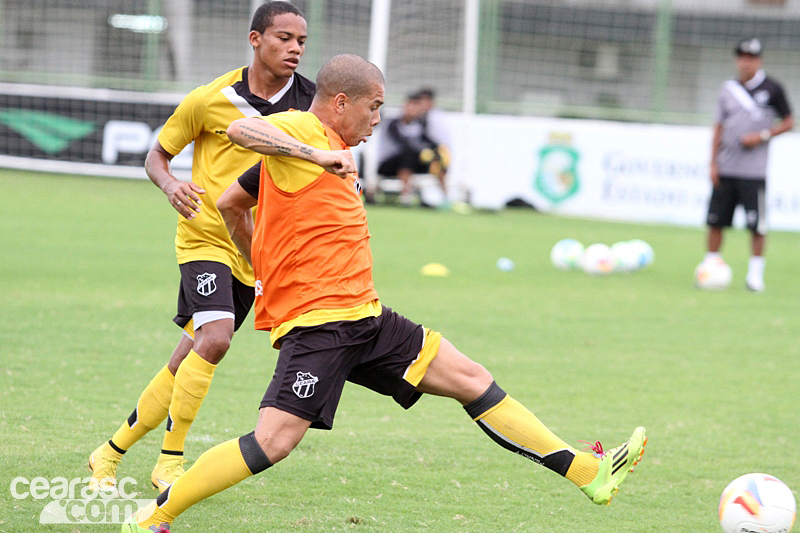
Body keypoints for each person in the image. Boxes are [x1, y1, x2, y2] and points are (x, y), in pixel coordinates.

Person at [123, 54, 646, 533]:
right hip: (321, 325)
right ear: (341, 102)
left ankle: (589, 474)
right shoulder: (305, 129)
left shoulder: (332, 152)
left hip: (367, 318)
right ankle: (157, 515)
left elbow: (235, 200)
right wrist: (310, 161)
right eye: (373, 107)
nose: (378, 119)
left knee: (471, 379)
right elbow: (240, 129)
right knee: (273, 441)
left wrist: (261, 262)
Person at [88, 1, 315, 495]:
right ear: (255, 40)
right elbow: (157, 155)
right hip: (205, 235)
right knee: (215, 338)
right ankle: (171, 460)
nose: (294, 48)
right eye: (283, 38)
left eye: (301, 40)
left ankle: (107, 453)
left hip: (256, 251)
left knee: (187, 357)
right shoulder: (210, 98)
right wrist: (170, 186)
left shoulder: (311, 105)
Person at [702, 37, 793, 292]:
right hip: (726, 167)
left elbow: (789, 121)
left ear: (759, 61)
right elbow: (718, 127)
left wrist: (762, 136)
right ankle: (710, 267)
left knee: (757, 225)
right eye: (741, 57)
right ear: (736, 60)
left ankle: (755, 276)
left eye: (751, 58)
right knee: (716, 221)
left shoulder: (773, 88)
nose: (745, 62)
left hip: (753, 172)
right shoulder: (727, 89)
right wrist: (713, 163)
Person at [377, 88, 450, 206]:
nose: (412, 109)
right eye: (410, 105)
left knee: (437, 158)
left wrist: (438, 151)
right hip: (389, 164)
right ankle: (405, 196)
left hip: (411, 162)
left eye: (416, 106)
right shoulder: (394, 124)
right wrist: (422, 151)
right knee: (408, 155)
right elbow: (402, 143)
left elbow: (429, 141)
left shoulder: (420, 124)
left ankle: (446, 199)